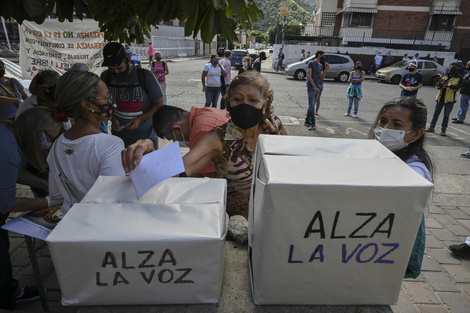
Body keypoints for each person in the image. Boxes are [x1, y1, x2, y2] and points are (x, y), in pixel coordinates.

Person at [122, 71, 288, 217]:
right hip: (240, 224)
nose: (245, 105)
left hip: (276, 213)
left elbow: (292, 163)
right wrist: (148, 153)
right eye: (237, 99)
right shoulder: (218, 139)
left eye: (253, 100)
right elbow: (180, 168)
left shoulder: (275, 127)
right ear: (229, 103)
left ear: (264, 106)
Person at [1, 107, 63, 310]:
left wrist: (45, 185)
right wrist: (48, 201)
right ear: (37, 131)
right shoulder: (7, 147)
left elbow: (14, 173)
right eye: (49, 137)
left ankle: (11, 292)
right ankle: (5, 297)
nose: (49, 143)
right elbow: (6, 203)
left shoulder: (10, 134)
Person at [370, 97, 433, 278]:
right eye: (383, 121)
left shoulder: (415, 171)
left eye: (397, 124)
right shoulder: (376, 154)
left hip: (383, 252)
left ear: (416, 134)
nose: (386, 129)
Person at [47, 71, 126, 214]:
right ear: (88, 104)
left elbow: (55, 194)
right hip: (99, 228)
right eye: (106, 96)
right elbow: (113, 199)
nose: (111, 101)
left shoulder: (56, 145)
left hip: (71, 224)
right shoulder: (110, 144)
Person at [101, 42, 163, 147]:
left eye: (119, 68)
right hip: (119, 139)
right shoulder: (106, 77)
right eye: (111, 68)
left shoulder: (145, 76)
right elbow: (104, 103)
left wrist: (140, 119)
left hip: (146, 139)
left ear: (128, 60)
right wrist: (112, 118)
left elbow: (159, 104)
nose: (116, 72)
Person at [151, 105, 230, 177]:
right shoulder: (204, 113)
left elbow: (196, 172)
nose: (176, 141)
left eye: (173, 138)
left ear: (177, 128)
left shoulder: (200, 132)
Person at [426, 63, 462, 136]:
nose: (452, 69)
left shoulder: (459, 78)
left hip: (450, 100)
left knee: (446, 115)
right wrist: (441, 84)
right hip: (440, 98)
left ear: (457, 69)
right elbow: (437, 87)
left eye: (454, 68)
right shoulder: (445, 76)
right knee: (436, 114)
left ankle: (443, 129)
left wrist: (451, 86)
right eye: (451, 68)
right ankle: (432, 127)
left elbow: (459, 87)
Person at [305, 50, 323, 130]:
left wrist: (326, 69)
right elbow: (309, 76)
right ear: (319, 55)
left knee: (311, 105)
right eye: (323, 55)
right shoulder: (311, 63)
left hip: (318, 87)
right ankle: (313, 123)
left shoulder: (320, 65)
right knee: (312, 106)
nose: (324, 57)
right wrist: (315, 87)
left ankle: (307, 121)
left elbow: (321, 77)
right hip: (312, 87)